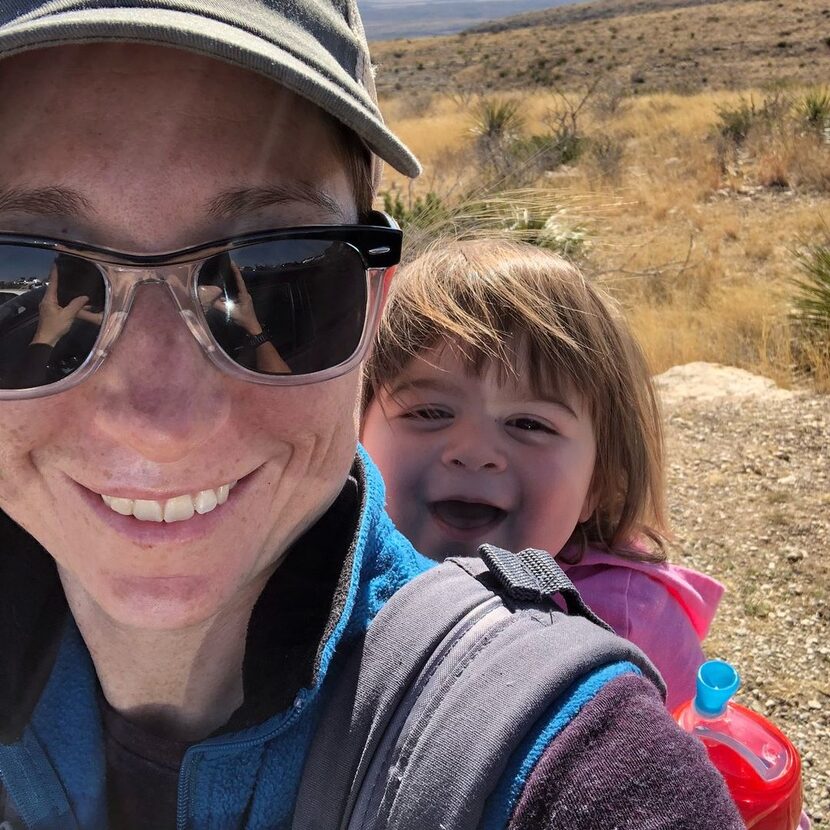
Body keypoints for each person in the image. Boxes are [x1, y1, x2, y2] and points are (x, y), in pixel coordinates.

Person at [0, 3, 742, 828]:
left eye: (279, 281)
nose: (160, 421)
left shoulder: (559, 763)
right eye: (25, 284)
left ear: (371, 313)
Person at [362, 239, 723, 709]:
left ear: (600, 479)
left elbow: (687, 749)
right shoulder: (321, 570)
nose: (473, 452)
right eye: (429, 411)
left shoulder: (628, 627)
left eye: (529, 424)